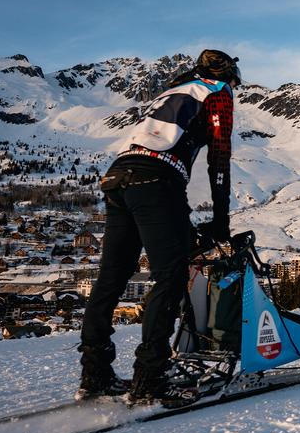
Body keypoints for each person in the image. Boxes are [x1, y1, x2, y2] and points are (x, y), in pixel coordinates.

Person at [77, 49, 240, 406]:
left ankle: (95, 374)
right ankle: (151, 377)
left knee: (111, 278)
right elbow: (219, 159)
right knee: (170, 276)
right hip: (156, 180)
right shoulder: (217, 93)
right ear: (228, 74)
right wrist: (222, 220)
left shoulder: (172, 92)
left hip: (118, 178)